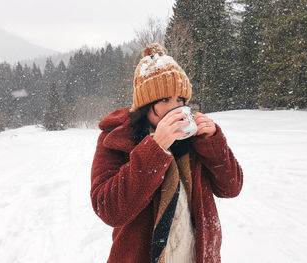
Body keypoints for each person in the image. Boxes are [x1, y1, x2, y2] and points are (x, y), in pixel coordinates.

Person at [90, 43, 243, 263]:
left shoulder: (193, 136)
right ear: (145, 104)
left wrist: (212, 142)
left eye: (180, 100)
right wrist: (155, 149)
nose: (175, 107)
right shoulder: (116, 138)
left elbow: (231, 187)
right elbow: (109, 210)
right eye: (164, 100)